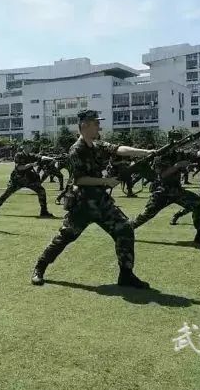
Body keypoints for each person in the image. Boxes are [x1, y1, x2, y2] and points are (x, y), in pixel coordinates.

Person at [31, 110, 153, 288]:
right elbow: (79, 179)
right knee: (65, 237)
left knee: (124, 229)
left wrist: (145, 152)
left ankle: (126, 275)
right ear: (85, 126)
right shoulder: (76, 150)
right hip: (82, 204)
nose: (98, 126)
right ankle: (39, 268)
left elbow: (118, 149)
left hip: (101, 202)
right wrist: (106, 181)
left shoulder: (97, 145)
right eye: (96, 123)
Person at [131, 130, 200, 246]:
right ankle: (125, 229)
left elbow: (197, 154)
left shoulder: (178, 153)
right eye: (176, 140)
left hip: (177, 190)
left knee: (198, 204)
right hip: (162, 191)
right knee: (147, 214)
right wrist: (177, 166)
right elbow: (161, 175)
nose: (179, 143)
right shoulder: (160, 155)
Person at [0, 141, 54, 218]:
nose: (31, 147)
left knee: (41, 191)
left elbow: (41, 157)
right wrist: (31, 164)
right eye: (29, 146)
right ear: (25, 147)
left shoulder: (31, 155)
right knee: (6, 194)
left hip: (29, 179)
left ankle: (44, 211)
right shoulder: (18, 155)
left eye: (31, 146)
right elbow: (19, 167)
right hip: (18, 179)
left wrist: (52, 158)